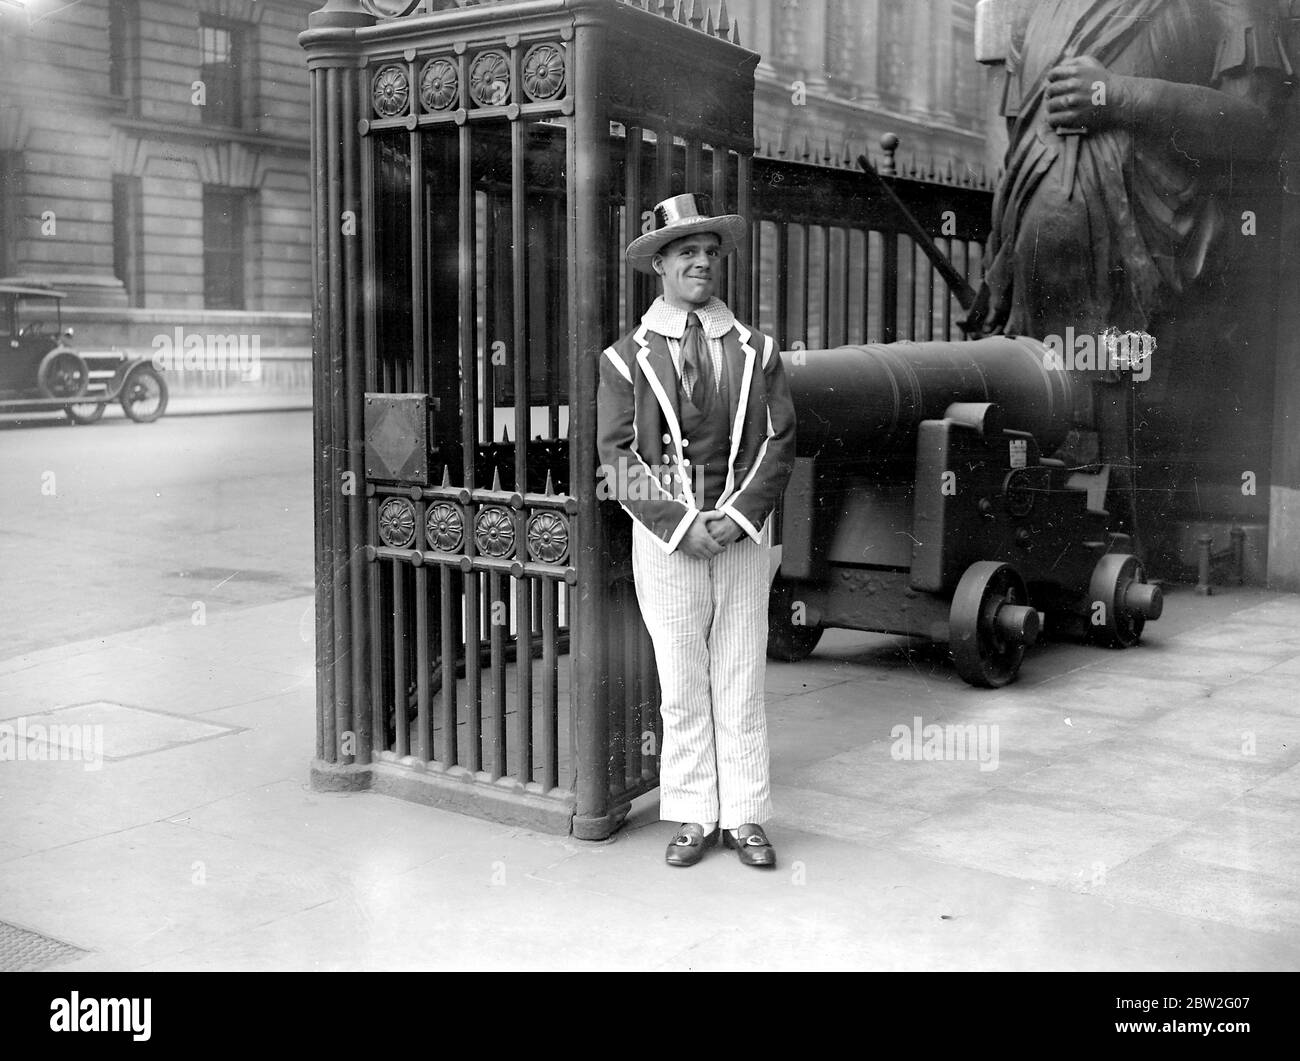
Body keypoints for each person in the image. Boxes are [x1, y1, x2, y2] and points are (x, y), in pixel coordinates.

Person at [596, 193, 797, 868]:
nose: (701, 263)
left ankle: (744, 815)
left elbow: (781, 440)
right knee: (682, 680)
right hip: (668, 545)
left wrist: (736, 519)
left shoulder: (757, 350)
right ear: (660, 263)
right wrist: (682, 525)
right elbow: (616, 460)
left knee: (740, 674)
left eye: (710, 253)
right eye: (687, 252)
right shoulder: (625, 359)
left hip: (741, 539)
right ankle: (691, 812)